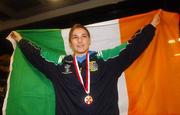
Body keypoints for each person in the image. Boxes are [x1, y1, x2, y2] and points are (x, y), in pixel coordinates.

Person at [10, 11, 160, 115]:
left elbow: (131, 50)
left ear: (89, 40)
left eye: (83, 36)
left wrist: (151, 27)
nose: (80, 40)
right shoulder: (60, 67)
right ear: (70, 43)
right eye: (75, 37)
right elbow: (37, 57)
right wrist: (20, 41)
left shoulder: (106, 63)